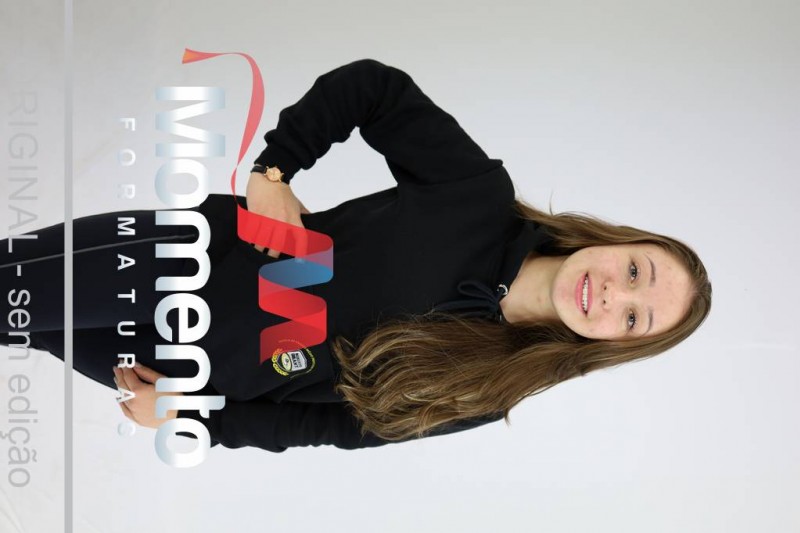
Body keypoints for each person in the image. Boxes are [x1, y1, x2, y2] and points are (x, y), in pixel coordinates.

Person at [0, 59, 712, 453]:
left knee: (16, 327)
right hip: (185, 261)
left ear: (616, 345)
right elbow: (375, 89)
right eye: (635, 272)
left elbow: (330, 426)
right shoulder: (477, 199)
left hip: (179, 369)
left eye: (634, 318)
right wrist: (274, 171)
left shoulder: (489, 389)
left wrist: (194, 418)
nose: (613, 295)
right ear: (614, 243)